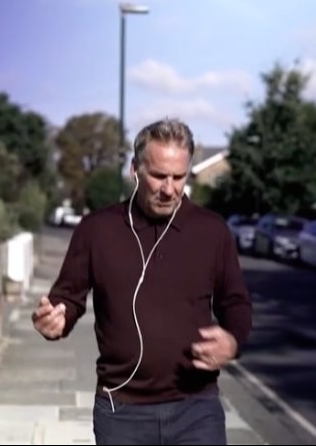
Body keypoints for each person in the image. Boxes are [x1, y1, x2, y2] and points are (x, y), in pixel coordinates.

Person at [32, 118, 252, 445]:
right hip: (121, 410)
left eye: (179, 177)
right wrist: (56, 319)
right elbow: (68, 297)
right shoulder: (97, 229)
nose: (169, 188)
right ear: (135, 170)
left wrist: (233, 341)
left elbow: (235, 303)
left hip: (196, 408)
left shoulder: (211, 230)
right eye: (159, 176)